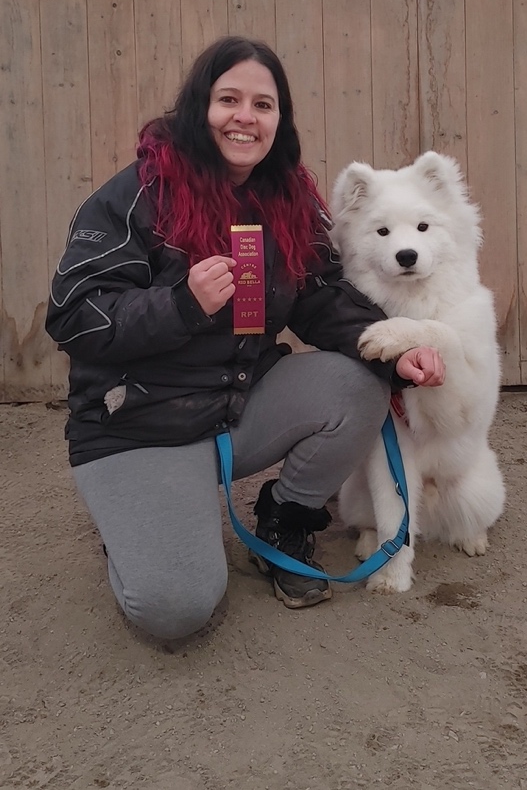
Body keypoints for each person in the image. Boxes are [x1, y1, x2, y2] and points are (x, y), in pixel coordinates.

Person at [46, 36, 445, 640]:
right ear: (197, 108)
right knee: (175, 611)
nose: (245, 117)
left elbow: (320, 296)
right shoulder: (136, 194)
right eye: (228, 99)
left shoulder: (288, 196)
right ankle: (138, 530)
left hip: (234, 404)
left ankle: (284, 518)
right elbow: (74, 316)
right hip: (138, 425)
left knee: (359, 376)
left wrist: (394, 345)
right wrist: (181, 305)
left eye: (263, 104)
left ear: (278, 119)